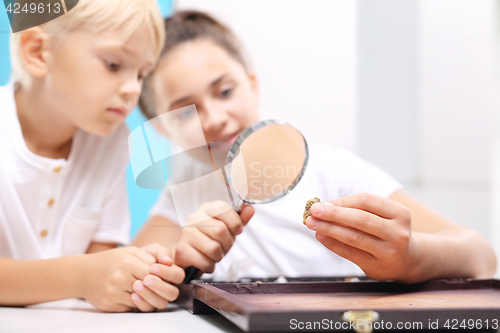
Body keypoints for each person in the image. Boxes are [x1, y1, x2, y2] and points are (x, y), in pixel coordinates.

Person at [134, 10, 497, 283]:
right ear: (164, 131)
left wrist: (412, 256)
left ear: (253, 85)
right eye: (184, 113)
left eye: (225, 91)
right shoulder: (183, 194)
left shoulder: (330, 171)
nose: (213, 118)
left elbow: (481, 255)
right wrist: (180, 259)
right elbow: (137, 266)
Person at [0, 0, 184, 313]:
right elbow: (89, 273)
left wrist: (139, 273)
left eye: (141, 75)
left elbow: (101, 267)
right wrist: (81, 276)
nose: (132, 90)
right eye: (113, 64)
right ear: (37, 52)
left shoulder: (111, 143)